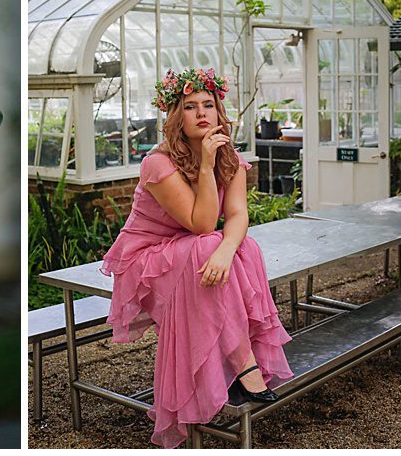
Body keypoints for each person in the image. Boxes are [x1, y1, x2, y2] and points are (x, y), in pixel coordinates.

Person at [101, 68, 292, 449]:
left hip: (193, 253)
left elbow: (237, 216)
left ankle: (233, 360)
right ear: (176, 116)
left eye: (209, 105)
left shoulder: (230, 159)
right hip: (148, 260)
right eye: (190, 106)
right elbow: (202, 223)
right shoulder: (158, 163)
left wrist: (225, 251)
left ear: (220, 113)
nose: (202, 113)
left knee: (242, 247)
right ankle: (244, 365)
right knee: (209, 245)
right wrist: (205, 164)